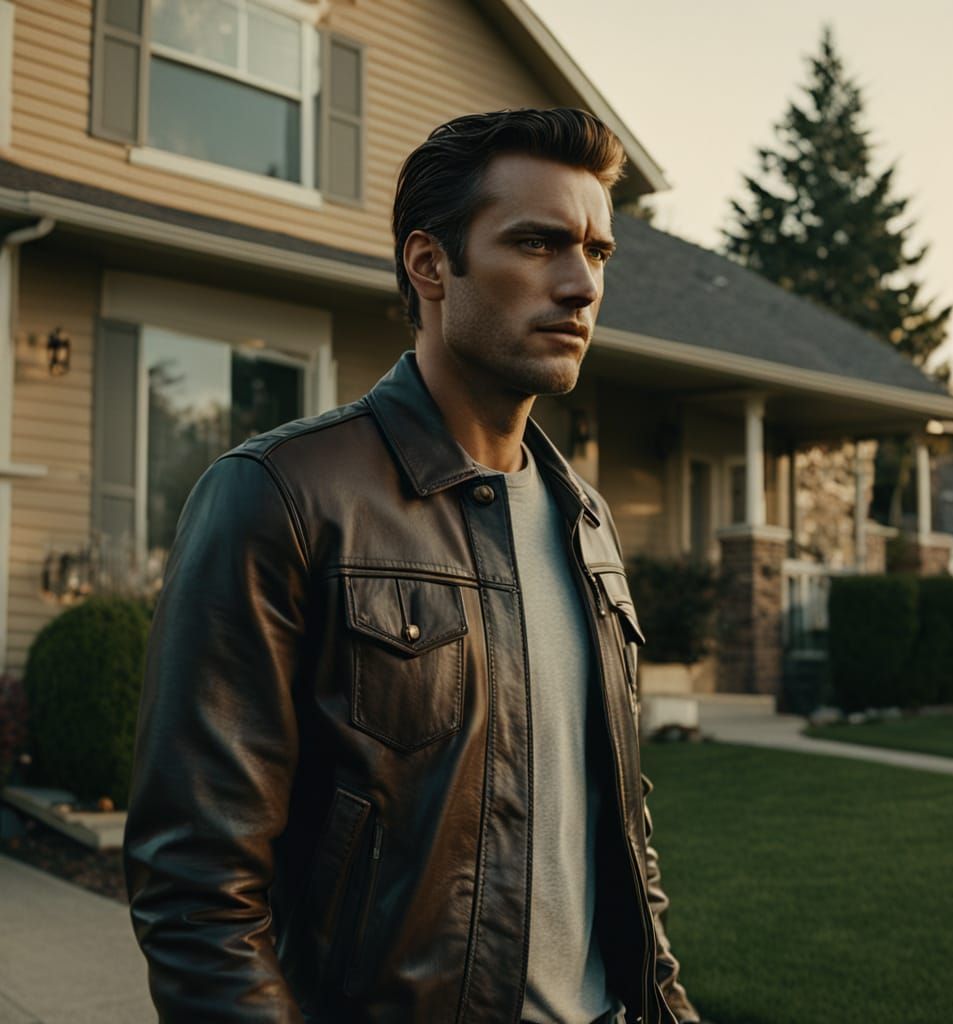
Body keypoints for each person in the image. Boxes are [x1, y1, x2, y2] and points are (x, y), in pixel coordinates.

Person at [124, 107, 704, 1024]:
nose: (581, 284)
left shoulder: (587, 522)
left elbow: (622, 833)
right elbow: (197, 888)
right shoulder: (283, 497)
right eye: (538, 243)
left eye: (597, 252)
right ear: (430, 265)